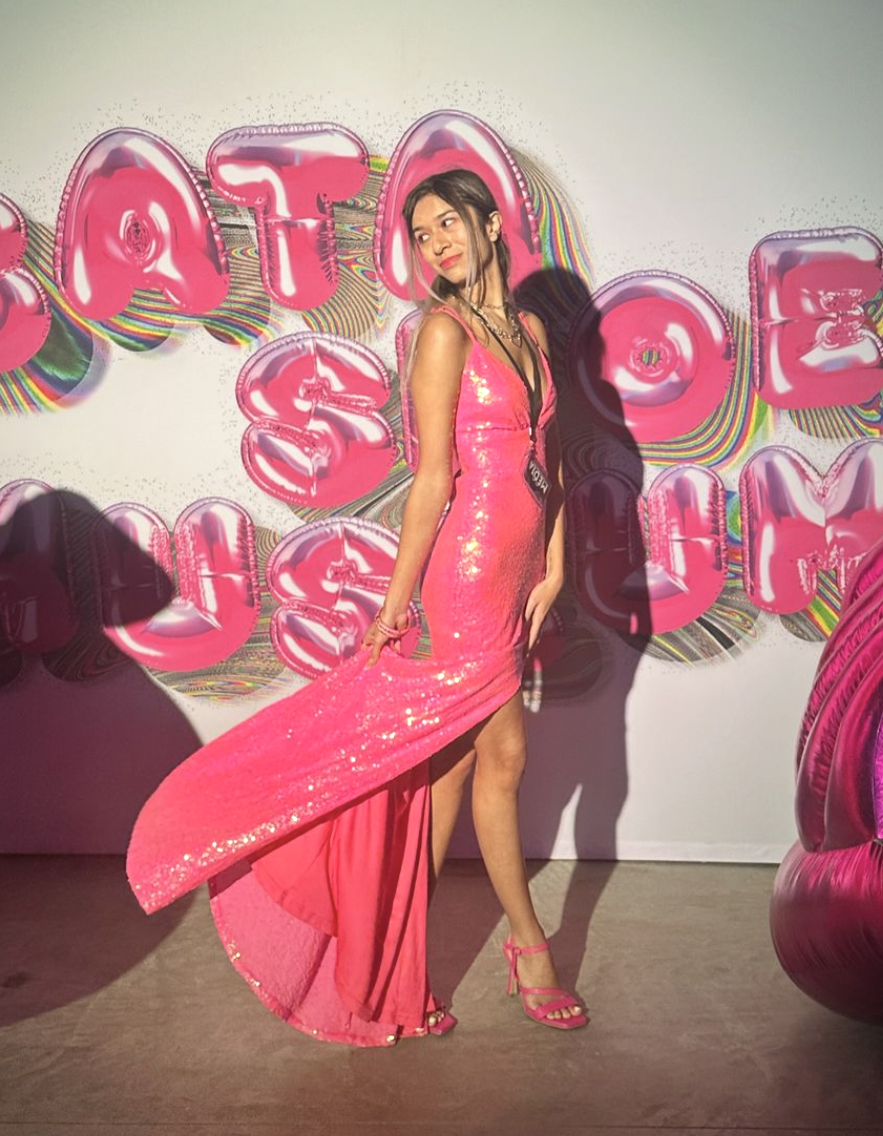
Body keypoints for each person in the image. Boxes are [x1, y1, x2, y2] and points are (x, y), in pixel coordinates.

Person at [126, 168, 587, 1045]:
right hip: (464, 576)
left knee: (454, 772)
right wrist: (394, 602)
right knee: (507, 755)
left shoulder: (528, 328)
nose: (437, 243)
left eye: (449, 222)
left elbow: (548, 461)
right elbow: (432, 482)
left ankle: (384, 971)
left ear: (492, 225)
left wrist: (556, 566)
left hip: (519, 573)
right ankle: (529, 949)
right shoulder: (441, 335)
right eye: (421, 234)